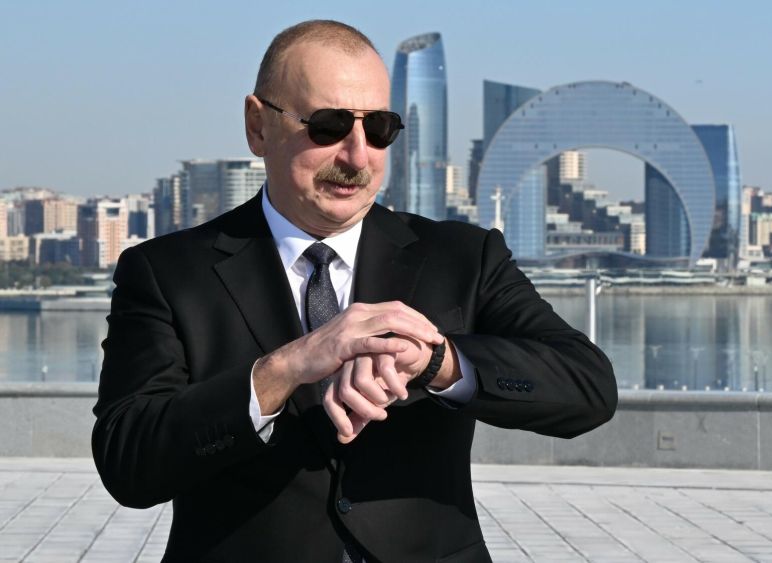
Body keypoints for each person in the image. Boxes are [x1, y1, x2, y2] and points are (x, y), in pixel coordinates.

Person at [92, 19, 616, 563]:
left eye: (380, 128)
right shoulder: (167, 272)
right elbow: (128, 462)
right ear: (257, 126)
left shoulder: (463, 256)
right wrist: (284, 369)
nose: (358, 157)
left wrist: (437, 361)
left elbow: (589, 387)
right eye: (328, 125)